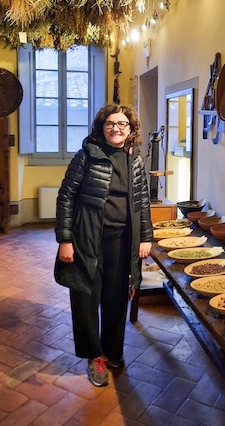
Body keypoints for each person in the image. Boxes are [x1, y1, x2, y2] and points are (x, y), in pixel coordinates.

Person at [54, 102, 153, 387]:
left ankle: (113, 351)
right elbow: (66, 198)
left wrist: (146, 237)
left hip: (122, 241)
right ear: (102, 127)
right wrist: (65, 240)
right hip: (87, 239)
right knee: (86, 298)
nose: (116, 128)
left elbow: (141, 200)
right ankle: (94, 356)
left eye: (122, 124)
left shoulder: (134, 159)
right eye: (110, 123)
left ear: (130, 129)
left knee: (116, 298)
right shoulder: (86, 155)